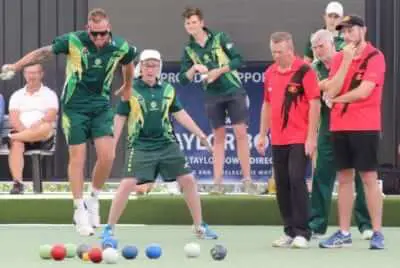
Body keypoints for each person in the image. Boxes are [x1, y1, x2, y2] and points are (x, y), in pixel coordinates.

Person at [1, 8, 137, 236]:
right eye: (94, 34)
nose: (99, 39)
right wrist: (16, 66)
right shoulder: (73, 41)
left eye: (103, 34)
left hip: (101, 107)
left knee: (108, 155)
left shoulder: (120, 46)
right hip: (74, 108)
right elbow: (42, 53)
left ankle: (93, 200)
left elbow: (129, 62)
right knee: (78, 157)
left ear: (109, 29)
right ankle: (78, 210)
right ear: (88, 30)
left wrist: (128, 85)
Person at [101, 49, 218, 240]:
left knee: (188, 180)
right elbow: (120, 118)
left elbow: (181, 114)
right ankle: (109, 228)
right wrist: (112, 145)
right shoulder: (130, 90)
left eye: (154, 65)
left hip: (166, 144)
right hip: (140, 145)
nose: (150, 69)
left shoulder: (168, 89)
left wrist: (201, 136)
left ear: (159, 67)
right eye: (147, 64)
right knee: (128, 183)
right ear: (140, 67)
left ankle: (199, 226)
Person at [319, 15, 385, 250]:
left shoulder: (375, 57)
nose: (347, 36)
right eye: (343, 32)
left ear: (363, 31)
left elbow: (364, 91)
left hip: (366, 127)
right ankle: (344, 232)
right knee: (344, 179)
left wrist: (335, 99)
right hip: (339, 126)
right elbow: (333, 85)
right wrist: (345, 61)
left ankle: (377, 232)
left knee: (368, 178)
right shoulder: (339, 58)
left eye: (351, 31)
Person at [179, 7, 254, 194]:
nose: (191, 26)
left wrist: (217, 71)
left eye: (194, 22)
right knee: (218, 137)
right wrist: (194, 68)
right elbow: (182, 79)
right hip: (213, 96)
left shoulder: (220, 38)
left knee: (240, 133)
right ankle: (217, 183)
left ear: (202, 23)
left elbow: (238, 60)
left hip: (233, 90)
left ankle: (247, 180)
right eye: (188, 23)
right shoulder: (189, 49)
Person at [257, 32, 320, 249]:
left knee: (296, 179)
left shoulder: (305, 71)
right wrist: (263, 133)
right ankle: (289, 231)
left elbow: (314, 103)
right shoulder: (270, 73)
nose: (276, 56)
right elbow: (266, 104)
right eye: (273, 51)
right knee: (281, 184)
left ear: (290, 50)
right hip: (278, 139)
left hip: (299, 137)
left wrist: (311, 137)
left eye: (280, 52)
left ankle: (303, 231)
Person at [308, 29, 373, 240]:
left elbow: (355, 88)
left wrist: (334, 90)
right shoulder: (313, 68)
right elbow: (318, 91)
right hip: (328, 125)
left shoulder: (347, 61)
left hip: (354, 122)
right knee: (322, 174)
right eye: (315, 47)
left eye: (322, 46)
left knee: (361, 175)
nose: (318, 51)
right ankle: (317, 224)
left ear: (332, 44)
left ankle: (366, 225)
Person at [7, 64, 58, 194]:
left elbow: (51, 115)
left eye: (35, 73)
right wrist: (25, 132)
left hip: (42, 135)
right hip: (21, 133)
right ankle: (18, 184)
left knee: (46, 127)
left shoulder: (49, 94)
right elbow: (14, 118)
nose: (31, 76)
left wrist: (39, 122)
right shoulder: (17, 95)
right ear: (24, 75)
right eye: (29, 73)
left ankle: (11, 137)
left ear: (41, 74)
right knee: (16, 144)